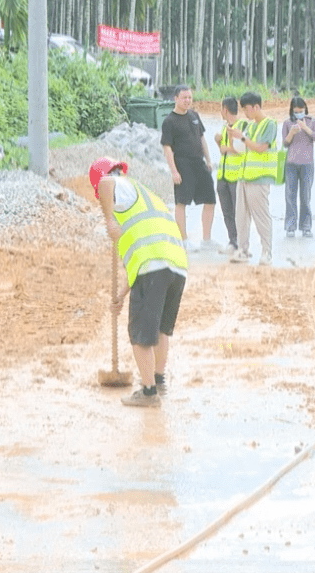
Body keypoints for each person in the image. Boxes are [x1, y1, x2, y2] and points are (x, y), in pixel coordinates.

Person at [90, 157, 188, 408]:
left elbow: (106, 181)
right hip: (174, 266)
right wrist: (122, 295)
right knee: (161, 330)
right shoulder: (146, 197)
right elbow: (142, 259)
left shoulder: (119, 185)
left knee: (140, 333)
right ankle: (158, 380)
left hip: (154, 267)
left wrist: (109, 220)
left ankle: (147, 392)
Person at [160, 87, 216, 249]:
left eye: (190, 97)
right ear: (176, 98)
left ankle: (207, 240)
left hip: (199, 163)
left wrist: (209, 160)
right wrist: (174, 171)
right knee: (181, 202)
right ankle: (183, 240)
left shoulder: (194, 116)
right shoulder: (169, 121)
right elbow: (167, 148)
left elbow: (202, 138)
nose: (187, 100)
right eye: (184, 97)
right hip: (182, 165)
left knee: (210, 200)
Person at [229, 91, 279, 266]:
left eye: (247, 110)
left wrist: (241, 137)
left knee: (261, 216)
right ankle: (242, 250)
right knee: (241, 217)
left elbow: (260, 148)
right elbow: (241, 150)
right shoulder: (250, 127)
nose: (246, 114)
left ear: (256, 107)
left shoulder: (270, 124)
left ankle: (267, 252)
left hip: (260, 178)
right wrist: (233, 137)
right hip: (244, 177)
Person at [280, 96, 315, 238]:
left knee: (305, 197)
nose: (299, 113)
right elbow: (285, 144)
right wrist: (292, 133)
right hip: (291, 164)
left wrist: (306, 129)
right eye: (296, 111)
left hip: (307, 165)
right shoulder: (287, 123)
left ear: (305, 109)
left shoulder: (312, 122)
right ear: (292, 111)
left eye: (301, 110)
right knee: (290, 196)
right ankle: (290, 226)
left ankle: (306, 227)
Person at [213, 96, 248, 253]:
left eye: (221, 109)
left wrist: (228, 148)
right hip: (223, 176)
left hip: (236, 177)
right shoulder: (224, 127)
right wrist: (219, 142)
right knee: (227, 212)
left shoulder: (243, 126)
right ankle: (232, 242)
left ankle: (241, 244)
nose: (220, 112)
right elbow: (222, 150)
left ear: (225, 110)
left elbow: (245, 149)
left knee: (238, 213)